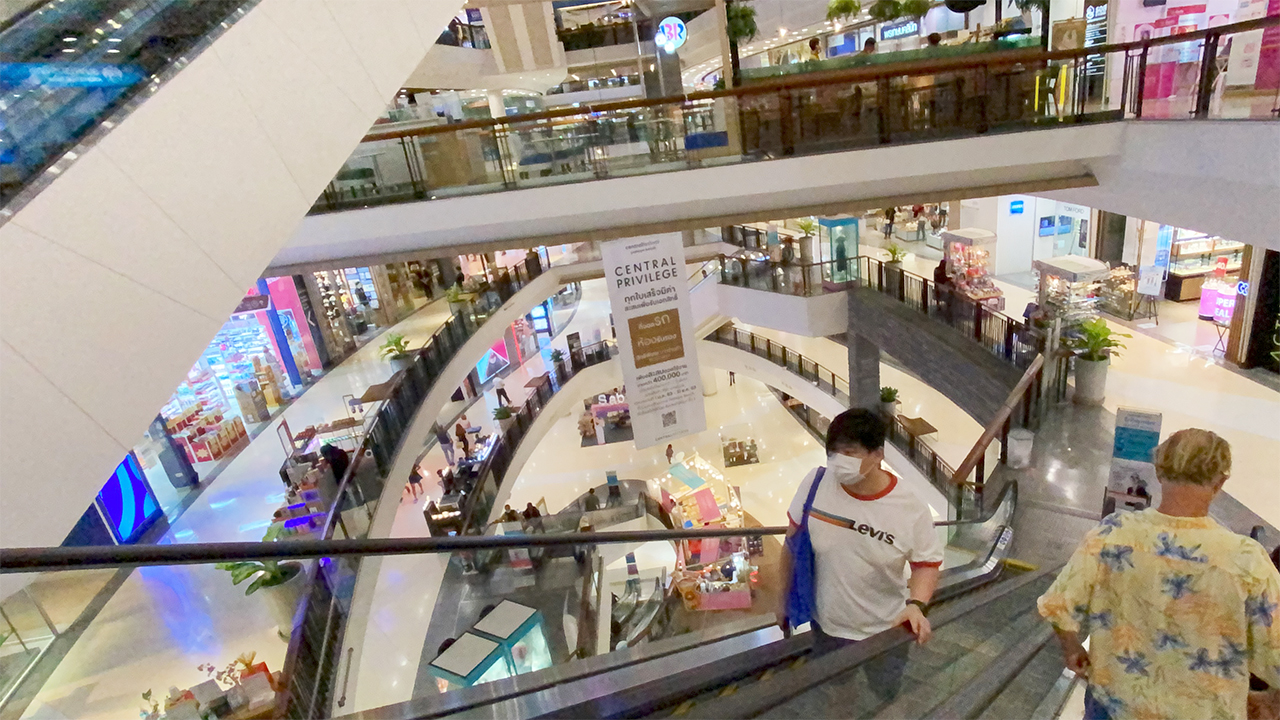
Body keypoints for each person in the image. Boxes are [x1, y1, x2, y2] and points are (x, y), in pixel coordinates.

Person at [1038, 429, 1280, 720]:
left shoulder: (1113, 534)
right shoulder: (1245, 560)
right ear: (1220, 482)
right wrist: (1273, 701)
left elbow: (1057, 604)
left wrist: (1072, 648)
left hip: (1114, 706)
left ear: (1159, 471)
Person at [777, 408, 943, 703]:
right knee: (837, 693)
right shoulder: (815, 484)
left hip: (885, 629)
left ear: (878, 454)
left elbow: (926, 563)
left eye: (850, 452)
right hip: (827, 625)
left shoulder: (908, 507)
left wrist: (916, 604)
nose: (840, 462)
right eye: (834, 452)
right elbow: (791, 545)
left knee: (887, 696)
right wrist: (782, 600)